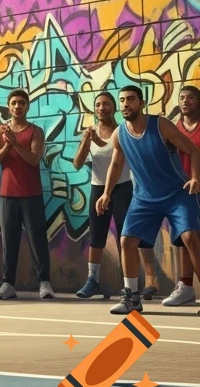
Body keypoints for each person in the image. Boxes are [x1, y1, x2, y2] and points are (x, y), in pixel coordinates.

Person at [99, 85, 200, 315]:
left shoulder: (160, 125)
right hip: (144, 198)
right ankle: (131, 297)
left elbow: (194, 150)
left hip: (177, 194)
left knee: (190, 237)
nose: (126, 104)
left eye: (131, 99)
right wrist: (106, 193)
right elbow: (116, 164)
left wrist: (195, 177)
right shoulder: (120, 133)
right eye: (122, 100)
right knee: (127, 241)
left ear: (141, 103)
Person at [0, 90, 53, 300]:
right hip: (7, 194)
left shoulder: (36, 131)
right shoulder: (2, 131)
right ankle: (8, 284)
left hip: (31, 194)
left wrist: (15, 143)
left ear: (27, 106)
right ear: (9, 106)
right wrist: (8, 145)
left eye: (22, 103)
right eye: (14, 103)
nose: (18, 106)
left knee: (37, 239)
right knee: (9, 241)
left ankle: (44, 283)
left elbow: (34, 160)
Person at [71, 90, 134, 299]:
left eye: (106, 104)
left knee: (125, 238)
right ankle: (92, 281)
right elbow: (78, 163)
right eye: (98, 104)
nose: (101, 108)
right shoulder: (90, 132)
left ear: (113, 107)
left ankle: (129, 285)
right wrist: (86, 142)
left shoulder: (122, 130)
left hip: (122, 188)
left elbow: (121, 161)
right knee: (96, 236)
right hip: (98, 188)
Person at [165, 83, 200, 306]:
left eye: (190, 97)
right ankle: (186, 287)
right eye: (182, 97)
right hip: (181, 192)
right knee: (184, 240)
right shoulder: (174, 129)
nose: (185, 101)